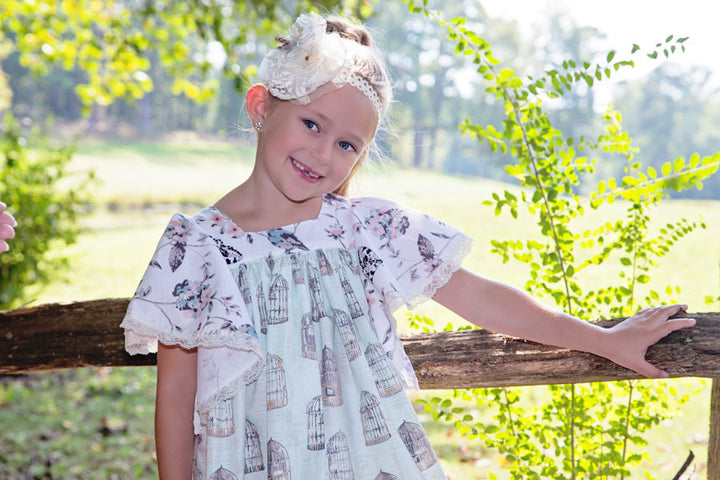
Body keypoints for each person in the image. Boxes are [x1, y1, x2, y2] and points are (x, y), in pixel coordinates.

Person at [120, 12, 695, 480]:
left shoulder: (367, 231)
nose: (324, 155)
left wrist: (603, 339)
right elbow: (175, 393)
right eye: (313, 125)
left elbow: (486, 300)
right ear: (262, 106)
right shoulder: (196, 248)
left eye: (348, 143)